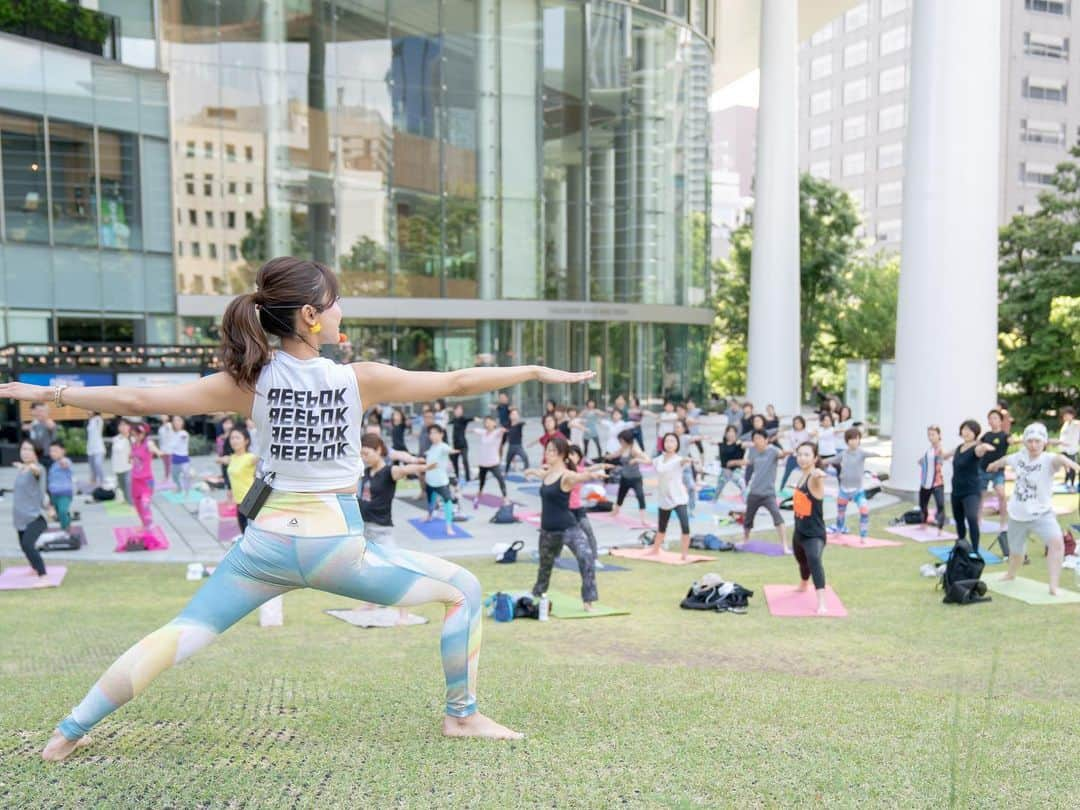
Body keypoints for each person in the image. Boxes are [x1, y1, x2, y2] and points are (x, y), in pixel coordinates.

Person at [0, 257, 594, 759]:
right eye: (334, 305)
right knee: (462, 588)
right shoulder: (358, 378)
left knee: (179, 633)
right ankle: (461, 715)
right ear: (309, 316)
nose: (341, 314)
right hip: (334, 546)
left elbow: (137, 397)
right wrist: (536, 371)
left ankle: (67, 733)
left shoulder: (246, 380)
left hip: (262, 547)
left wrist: (48, 393)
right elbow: (459, 383)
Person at [986, 422, 1080, 595]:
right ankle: (1010, 574)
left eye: (1038, 441)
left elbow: (1061, 459)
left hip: (1042, 514)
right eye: (1030, 441)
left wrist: (1075, 467)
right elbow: (1004, 460)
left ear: (1044, 442)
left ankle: (1053, 586)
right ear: (1025, 442)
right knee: (1016, 553)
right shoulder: (1018, 457)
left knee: (1057, 544)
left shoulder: (1048, 459)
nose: (1034, 445)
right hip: (1017, 514)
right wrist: (993, 465)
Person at [358, 433, 436, 623]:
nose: (364, 458)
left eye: (367, 453)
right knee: (367, 569)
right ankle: (371, 603)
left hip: (382, 531)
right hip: (365, 529)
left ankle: (403, 614)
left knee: (397, 572)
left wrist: (423, 467)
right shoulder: (367, 473)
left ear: (378, 450)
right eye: (362, 454)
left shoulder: (389, 472)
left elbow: (405, 469)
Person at [526, 436, 606, 611]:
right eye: (547, 450)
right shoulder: (548, 474)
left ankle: (588, 600)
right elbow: (541, 474)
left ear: (562, 454)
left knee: (586, 558)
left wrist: (592, 474)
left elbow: (579, 476)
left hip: (568, 527)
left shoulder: (566, 476)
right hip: (547, 530)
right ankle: (537, 596)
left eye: (552, 450)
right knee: (544, 568)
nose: (548, 453)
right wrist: (530, 472)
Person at [732, 430, 790, 552]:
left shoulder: (772, 450)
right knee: (748, 519)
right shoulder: (753, 451)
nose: (756, 441)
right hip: (754, 492)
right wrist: (735, 462)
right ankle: (745, 541)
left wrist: (788, 452)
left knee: (777, 517)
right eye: (755, 439)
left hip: (768, 493)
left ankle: (784, 545)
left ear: (766, 440)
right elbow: (749, 462)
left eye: (759, 438)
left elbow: (781, 454)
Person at [942, 419, 995, 552]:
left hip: (971, 491)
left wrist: (985, 447)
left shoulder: (976, 447)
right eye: (964, 429)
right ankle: (961, 545)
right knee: (958, 520)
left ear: (975, 433)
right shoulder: (959, 448)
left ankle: (975, 549)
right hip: (956, 490)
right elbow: (945, 455)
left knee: (971, 518)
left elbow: (981, 449)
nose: (966, 432)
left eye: (969, 430)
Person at [791, 441, 830, 615]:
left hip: (814, 535)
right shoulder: (800, 476)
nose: (802, 458)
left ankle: (822, 602)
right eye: (799, 454)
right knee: (801, 561)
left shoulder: (814, 478)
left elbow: (817, 476)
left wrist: (818, 474)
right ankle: (803, 583)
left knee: (814, 560)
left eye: (807, 455)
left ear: (815, 458)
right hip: (799, 531)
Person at [826, 428, 879, 541]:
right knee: (840, 513)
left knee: (864, 511)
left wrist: (883, 455)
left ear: (859, 440)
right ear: (847, 441)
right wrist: (820, 461)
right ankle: (839, 531)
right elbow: (833, 459)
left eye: (856, 439)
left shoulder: (862, 453)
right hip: (843, 490)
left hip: (858, 491)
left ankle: (863, 536)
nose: (854, 441)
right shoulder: (843, 454)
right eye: (851, 439)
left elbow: (873, 454)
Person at [648, 433, 694, 560]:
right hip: (664, 498)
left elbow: (683, 461)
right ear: (663, 444)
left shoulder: (678, 459)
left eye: (672, 441)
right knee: (662, 527)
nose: (669, 444)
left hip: (679, 498)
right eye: (667, 441)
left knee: (685, 526)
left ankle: (684, 554)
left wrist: (688, 459)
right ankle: (655, 549)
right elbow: (651, 463)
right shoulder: (658, 460)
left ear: (677, 444)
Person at [13, 439, 49, 584]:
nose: (25, 452)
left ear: (36, 453)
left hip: (36, 517)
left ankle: (43, 576)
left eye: (29, 449)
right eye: (23, 449)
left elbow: (37, 471)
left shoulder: (38, 468)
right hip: (20, 517)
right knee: (24, 547)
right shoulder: (22, 469)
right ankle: (34, 568)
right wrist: (23, 466)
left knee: (28, 545)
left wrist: (31, 468)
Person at [565, 444, 609, 561]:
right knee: (565, 536)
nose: (572, 457)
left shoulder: (580, 470)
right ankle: (555, 556)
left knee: (589, 532)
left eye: (574, 455)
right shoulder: (564, 472)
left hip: (578, 508)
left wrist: (603, 466)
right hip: (566, 509)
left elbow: (590, 470)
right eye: (569, 454)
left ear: (579, 457)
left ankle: (595, 558)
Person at [979, 409, 1011, 543]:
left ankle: (1003, 524)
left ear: (1000, 421)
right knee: (980, 495)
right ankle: (978, 520)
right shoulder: (986, 436)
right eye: (990, 418)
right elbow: (978, 447)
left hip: (998, 471)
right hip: (983, 469)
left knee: (1002, 495)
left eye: (995, 418)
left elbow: (1012, 441)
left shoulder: (1004, 436)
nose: (993, 421)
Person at [608, 428, 651, 526]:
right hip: (625, 477)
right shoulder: (623, 448)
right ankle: (616, 511)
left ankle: (643, 519)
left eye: (621, 441)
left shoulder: (634, 449)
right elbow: (615, 454)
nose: (620, 442)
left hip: (635, 478)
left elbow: (648, 460)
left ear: (626, 440)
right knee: (620, 495)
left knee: (640, 496)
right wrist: (608, 457)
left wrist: (637, 460)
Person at [219, 427, 257, 535]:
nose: (234, 440)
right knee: (244, 532)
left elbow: (260, 457)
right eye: (232, 438)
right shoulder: (232, 458)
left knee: (249, 534)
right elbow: (222, 461)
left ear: (246, 441)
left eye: (237, 437)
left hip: (250, 500)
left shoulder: (250, 457)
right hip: (238, 501)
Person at [424, 424, 458, 535]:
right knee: (431, 502)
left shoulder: (443, 446)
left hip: (441, 482)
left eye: (435, 433)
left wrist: (454, 451)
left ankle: (448, 527)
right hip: (429, 481)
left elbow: (448, 450)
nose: (432, 435)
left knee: (448, 502)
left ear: (441, 434)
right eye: (431, 433)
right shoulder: (431, 448)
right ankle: (429, 516)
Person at [129, 423, 161, 535]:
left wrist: (158, 452)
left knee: (145, 503)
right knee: (137, 504)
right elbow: (132, 457)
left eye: (139, 433)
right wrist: (130, 458)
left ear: (144, 433)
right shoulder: (133, 444)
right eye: (135, 432)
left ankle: (150, 525)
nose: (137, 435)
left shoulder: (149, 443)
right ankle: (144, 524)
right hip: (135, 480)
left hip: (147, 481)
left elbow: (153, 449)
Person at [470, 415, 509, 507]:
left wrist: (503, 430)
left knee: (500, 479)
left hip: (493, 462)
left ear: (494, 423)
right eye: (486, 422)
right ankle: (479, 494)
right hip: (483, 462)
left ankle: (505, 497)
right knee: (482, 481)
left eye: (489, 422)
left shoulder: (496, 433)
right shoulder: (483, 432)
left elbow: (502, 431)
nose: (487, 423)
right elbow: (475, 430)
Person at [917, 426, 947, 535]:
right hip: (925, 482)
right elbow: (922, 462)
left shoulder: (940, 449)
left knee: (940, 505)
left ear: (939, 435)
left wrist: (940, 457)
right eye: (929, 434)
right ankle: (923, 523)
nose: (931, 437)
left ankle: (940, 528)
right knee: (922, 504)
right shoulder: (929, 450)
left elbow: (941, 461)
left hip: (937, 483)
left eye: (933, 434)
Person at [46, 441, 74, 531]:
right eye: (51, 451)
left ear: (63, 451)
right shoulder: (53, 465)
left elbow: (66, 463)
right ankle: (67, 521)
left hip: (65, 494)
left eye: (55, 451)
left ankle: (64, 529)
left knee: (62, 511)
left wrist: (63, 461)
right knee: (59, 513)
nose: (52, 453)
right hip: (54, 495)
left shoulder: (66, 461)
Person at [778, 415, 811, 491]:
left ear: (803, 423)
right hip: (793, 456)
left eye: (799, 423)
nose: (797, 424)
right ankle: (781, 488)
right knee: (786, 473)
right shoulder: (791, 432)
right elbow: (780, 435)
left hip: (803, 457)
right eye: (795, 423)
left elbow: (815, 435)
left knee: (806, 474)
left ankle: (805, 490)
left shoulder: (806, 432)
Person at [715, 425, 747, 496]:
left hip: (736, 471)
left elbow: (747, 444)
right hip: (724, 471)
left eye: (732, 432)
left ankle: (748, 503)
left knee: (742, 486)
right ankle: (713, 502)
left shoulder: (739, 444)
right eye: (729, 431)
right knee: (718, 490)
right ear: (726, 433)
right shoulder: (722, 444)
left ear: (736, 434)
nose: (730, 433)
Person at [25, 402, 57, 471]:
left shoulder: (49, 423)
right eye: (38, 411)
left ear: (47, 412)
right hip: (35, 456)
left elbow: (51, 426)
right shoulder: (34, 423)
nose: (39, 413)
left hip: (46, 457)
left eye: (42, 411)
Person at [1054, 406, 1079, 492]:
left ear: (1071, 415)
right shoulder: (1065, 424)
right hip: (1064, 449)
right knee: (1066, 466)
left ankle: (1072, 484)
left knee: (1072, 467)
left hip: (1072, 450)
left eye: (1067, 415)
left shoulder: (1075, 423)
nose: (1065, 417)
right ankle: (1066, 481)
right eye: (1064, 416)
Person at [110, 419, 133, 504]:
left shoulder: (132, 438)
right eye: (121, 425)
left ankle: (132, 503)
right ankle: (127, 500)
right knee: (122, 486)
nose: (123, 427)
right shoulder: (115, 439)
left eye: (125, 425)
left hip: (129, 467)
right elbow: (115, 454)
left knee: (128, 484)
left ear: (129, 427)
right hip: (118, 467)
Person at [449, 404, 473, 483]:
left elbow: (469, 419)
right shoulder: (454, 420)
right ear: (455, 411)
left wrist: (475, 418)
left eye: (461, 410)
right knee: (454, 460)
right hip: (455, 445)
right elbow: (447, 422)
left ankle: (468, 478)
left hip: (463, 445)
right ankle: (457, 476)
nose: (459, 411)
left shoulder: (463, 419)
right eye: (457, 410)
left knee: (465, 461)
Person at [169, 415, 192, 495]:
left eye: (179, 420)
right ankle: (179, 487)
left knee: (186, 475)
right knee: (174, 476)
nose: (177, 422)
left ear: (182, 422)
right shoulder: (172, 433)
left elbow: (183, 437)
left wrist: (182, 437)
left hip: (184, 459)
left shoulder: (184, 433)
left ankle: (187, 491)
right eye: (175, 420)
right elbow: (171, 445)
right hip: (175, 458)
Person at [503, 407, 529, 472]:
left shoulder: (519, 424)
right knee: (508, 461)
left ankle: (527, 472)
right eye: (512, 414)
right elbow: (503, 432)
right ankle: (506, 472)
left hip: (518, 446)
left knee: (525, 458)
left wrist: (526, 422)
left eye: (516, 414)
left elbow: (524, 423)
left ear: (518, 416)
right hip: (510, 446)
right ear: (509, 416)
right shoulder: (507, 425)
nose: (514, 416)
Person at [86, 411, 106, 490]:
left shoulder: (98, 419)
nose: (88, 412)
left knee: (98, 465)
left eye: (90, 410)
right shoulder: (90, 421)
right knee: (92, 468)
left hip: (99, 448)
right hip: (90, 448)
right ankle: (94, 485)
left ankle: (102, 482)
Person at [215, 416, 235, 490]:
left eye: (229, 423)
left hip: (234, 460)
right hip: (224, 462)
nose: (227, 425)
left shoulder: (235, 436)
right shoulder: (220, 438)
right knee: (228, 482)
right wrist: (219, 459)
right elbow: (219, 451)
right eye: (225, 423)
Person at [157, 415, 175, 483]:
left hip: (170, 449)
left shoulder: (169, 425)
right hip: (163, 449)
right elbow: (160, 440)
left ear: (167, 417)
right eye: (162, 416)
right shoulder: (160, 428)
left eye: (164, 416)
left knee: (170, 464)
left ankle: (171, 478)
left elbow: (171, 433)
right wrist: (160, 450)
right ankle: (166, 477)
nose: (162, 417)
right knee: (165, 465)